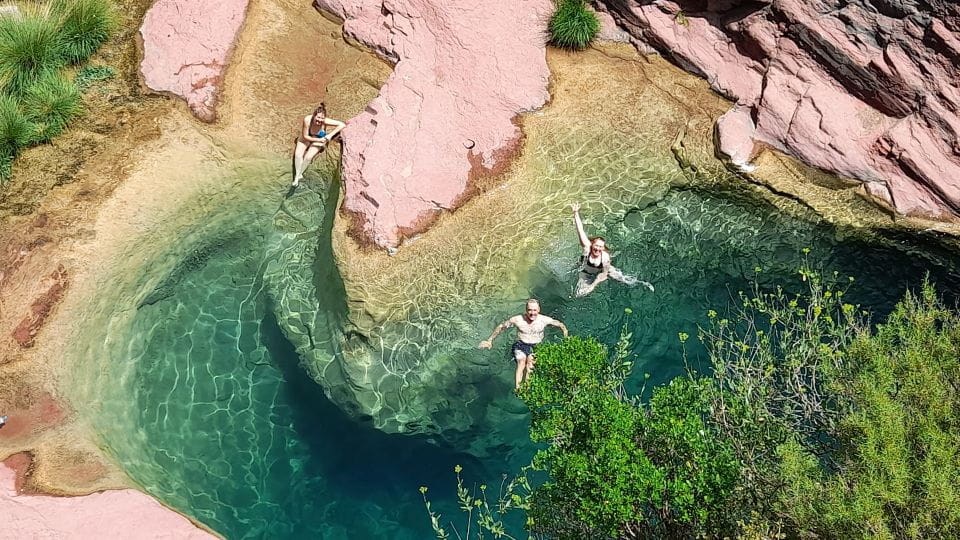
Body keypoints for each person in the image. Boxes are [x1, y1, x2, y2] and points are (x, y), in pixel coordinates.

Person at [479, 298, 568, 390]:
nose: (532, 313)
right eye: (529, 310)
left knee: (530, 363)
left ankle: (526, 389)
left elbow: (560, 325)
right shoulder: (517, 320)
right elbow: (502, 327)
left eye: (534, 310)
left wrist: (566, 336)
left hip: (536, 346)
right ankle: (518, 388)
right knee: (521, 362)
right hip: (520, 345)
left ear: (539, 310)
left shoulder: (544, 320)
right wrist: (490, 340)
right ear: (526, 310)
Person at [571, 202, 654, 297]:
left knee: (623, 278)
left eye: (600, 247)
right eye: (596, 245)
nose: (597, 249)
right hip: (586, 270)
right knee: (578, 294)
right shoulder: (587, 247)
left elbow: (603, 275)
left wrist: (593, 285)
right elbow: (580, 230)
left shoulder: (605, 257)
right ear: (592, 244)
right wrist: (575, 213)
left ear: (603, 248)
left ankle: (643, 284)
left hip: (601, 270)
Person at [292, 103, 345, 187]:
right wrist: (318, 140)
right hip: (308, 137)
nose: (319, 120)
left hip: (319, 137)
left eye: (322, 118)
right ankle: (296, 177)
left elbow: (342, 124)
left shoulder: (325, 121)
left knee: (308, 157)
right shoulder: (307, 120)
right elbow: (305, 136)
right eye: (318, 117)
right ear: (314, 116)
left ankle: (299, 175)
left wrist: (330, 135)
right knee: (298, 155)